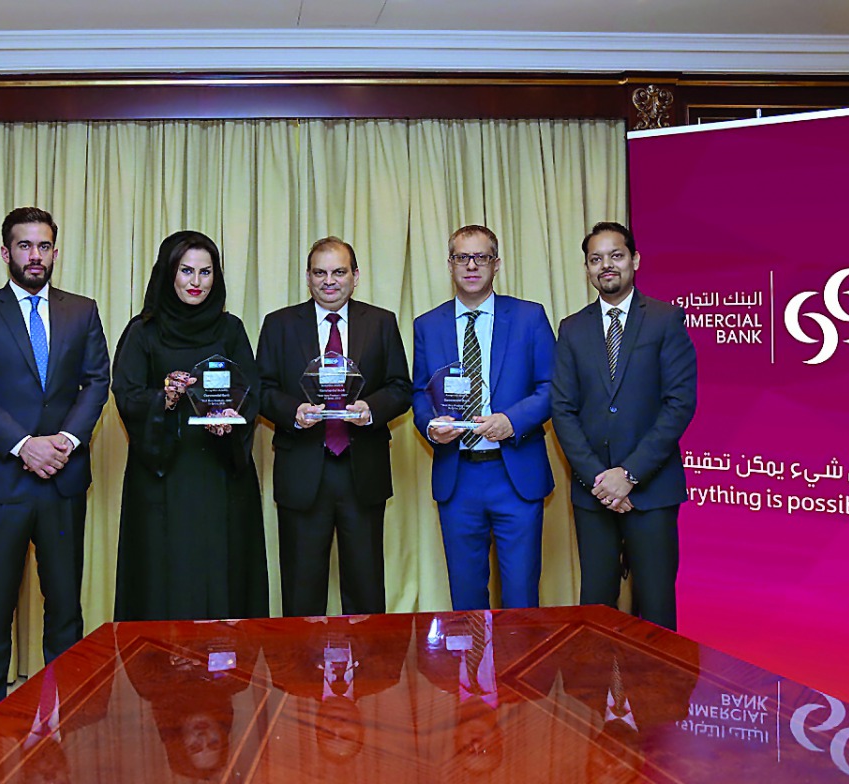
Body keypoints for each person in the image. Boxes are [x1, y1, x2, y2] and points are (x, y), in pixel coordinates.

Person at [0, 206, 110, 720]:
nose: (35, 256)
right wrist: (25, 445)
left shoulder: (82, 311)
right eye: (24, 246)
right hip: (2, 482)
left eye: (43, 246)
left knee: (64, 604)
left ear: (55, 251)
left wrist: (63, 441)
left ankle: (63, 709)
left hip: (63, 480)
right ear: (6, 253)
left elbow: (97, 381)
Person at [112, 230, 268, 621]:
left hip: (221, 478)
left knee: (223, 574)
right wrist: (163, 397)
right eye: (186, 271)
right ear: (169, 274)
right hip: (162, 480)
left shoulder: (230, 330)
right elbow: (126, 395)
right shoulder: (142, 331)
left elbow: (251, 392)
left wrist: (230, 418)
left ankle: (224, 675)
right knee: (165, 579)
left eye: (206, 272)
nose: (196, 282)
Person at [551, 221, 697, 631]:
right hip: (593, 493)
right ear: (587, 269)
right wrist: (601, 479)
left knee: (656, 612)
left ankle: (662, 697)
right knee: (595, 611)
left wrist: (628, 475)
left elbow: (679, 404)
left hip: (651, 491)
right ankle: (595, 697)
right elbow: (562, 409)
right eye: (596, 259)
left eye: (615, 255)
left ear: (634, 260)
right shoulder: (572, 328)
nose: (606, 266)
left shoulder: (665, 320)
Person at [257, 236, 412, 616]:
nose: (330, 281)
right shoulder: (278, 324)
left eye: (339, 272)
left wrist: (370, 409)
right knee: (301, 590)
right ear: (308, 278)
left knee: (366, 588)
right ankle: (300, 674)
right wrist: (294, 411)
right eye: (320, 272)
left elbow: (400, 388)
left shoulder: (381, 322)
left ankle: (370, 671)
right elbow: (260, 390)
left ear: (355, 276)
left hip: (363, 471)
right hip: (303, 470)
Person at [412, 224, 555, 611]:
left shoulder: (529, 317)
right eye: (462, 257)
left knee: (522, 596)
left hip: (515, 474)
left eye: (481, 257)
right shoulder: (428, 325)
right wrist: (429, 426)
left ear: (496, 264)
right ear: (450, 265)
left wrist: (512, 420)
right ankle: (471, 673)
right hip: (459, 477)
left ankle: (519, 672)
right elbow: (420, 393)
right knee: (466, 597)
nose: (472, 266)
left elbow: (551, 387)